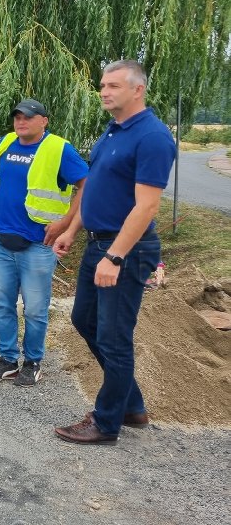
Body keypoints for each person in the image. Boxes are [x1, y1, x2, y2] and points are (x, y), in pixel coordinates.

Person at [53, 60, 176, 444]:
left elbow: (147, 207)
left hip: (127, 250)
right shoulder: (113, 130)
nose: (104, 91)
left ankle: (107, 422)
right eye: (103, 85)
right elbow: (95, 186)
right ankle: (131, 405)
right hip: (97, 243)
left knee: (113, 338)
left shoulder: (153, 137)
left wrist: (116, 256)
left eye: (113, 86)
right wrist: (72, 229)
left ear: (137, 90)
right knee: (84, 320)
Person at [0, 99, 88, 386]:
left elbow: (87, 185)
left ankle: (33, 363)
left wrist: (66, 224)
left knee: (35, 310)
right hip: (0, 239)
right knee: (3, 305)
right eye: (17, 117)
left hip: (39, 245)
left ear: (44, 121)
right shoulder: (6, 142)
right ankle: (7, 360)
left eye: (28, 117)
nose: (21, 121)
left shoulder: (58, 149)